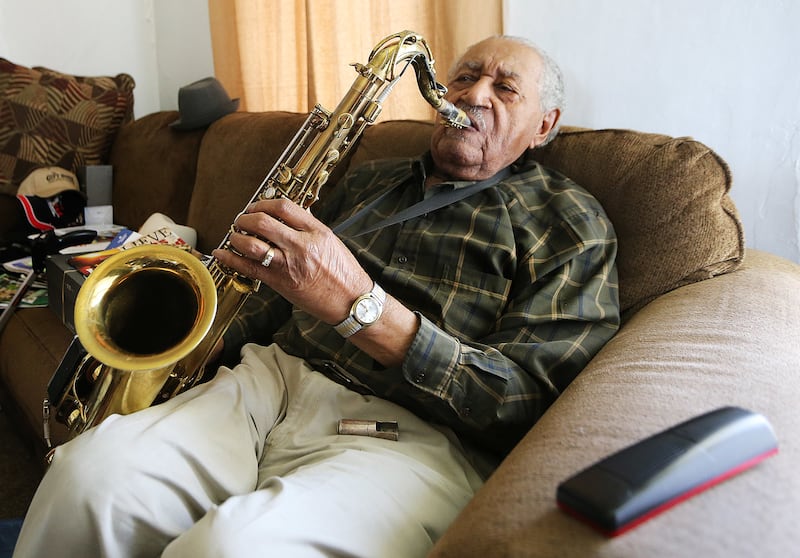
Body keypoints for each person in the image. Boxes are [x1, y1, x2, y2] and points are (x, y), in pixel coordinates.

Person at [14, 35, 619, 557]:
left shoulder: (568, 224)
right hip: (265, 382)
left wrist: (360, 305)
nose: (472, 94)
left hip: (412, 435)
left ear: (545, 125)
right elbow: (271, 300)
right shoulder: (368, 179)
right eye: (464, 76)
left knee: (232, 548)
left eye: (505, 88)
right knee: (87, 478)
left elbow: (527, 402)